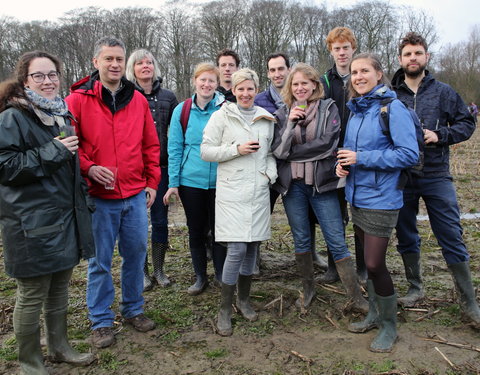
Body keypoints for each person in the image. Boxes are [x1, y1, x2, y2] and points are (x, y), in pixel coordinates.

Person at [0, 51, 95, 374]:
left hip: (63, 219)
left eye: (52, 74)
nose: (47, 81)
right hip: (31, 224)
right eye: (38, 76)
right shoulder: (13, 118)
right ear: (24, 81)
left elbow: (69, 172)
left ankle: (60, 347)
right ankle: (30, 363)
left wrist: (83, 201)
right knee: (31, 294)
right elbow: (5, 168)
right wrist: (52, 151)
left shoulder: (60, 116)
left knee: (59, 289)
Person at [66, 37, 160, 349]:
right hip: (98, 198)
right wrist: (89, 167)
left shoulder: (138, 100)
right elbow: (67, 145)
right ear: (96, 62)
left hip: (134, 195)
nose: (115, 64)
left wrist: (151, 182)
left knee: (135, 255)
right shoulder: (77, 100)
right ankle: (101, 321)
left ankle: (133, 309)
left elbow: (150, 144)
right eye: (108, 59)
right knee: (100, 262)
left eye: (119, 59)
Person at [392, 32, 479, 328]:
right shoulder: (392, 95)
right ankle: (415, 288)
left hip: (436, 174)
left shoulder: (444, 92)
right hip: (402, 177)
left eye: (418, 53)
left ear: (426, 57)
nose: (412, 58)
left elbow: (467, 123)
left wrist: (441, 136)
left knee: (450, 234)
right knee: (405, 234)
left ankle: (468, 301)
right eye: (407, 54)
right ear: (400, 59)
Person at [338, 53, 419, 352]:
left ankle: (389, 326)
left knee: (374, 264)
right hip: (356, 196)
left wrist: (362, 158)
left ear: (379, 74)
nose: (358, 76)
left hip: (382, 198)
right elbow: (350, 150)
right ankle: (373, 313)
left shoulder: (392, 108)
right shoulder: (356, 110)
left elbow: (409, 154)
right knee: (367, 264)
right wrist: (344, 165)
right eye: (354, 72)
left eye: (364, 71)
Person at [272, 63, 368, 314]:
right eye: (295, 84)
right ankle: (308, 289)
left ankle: (356, 298)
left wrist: (292, 154)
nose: (300, 88)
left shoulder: (329, 108)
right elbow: (278, 151)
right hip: (293, 187)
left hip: (322, 185)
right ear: (289, 88)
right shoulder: (282, 113)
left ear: (315, 84)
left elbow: (327, 145)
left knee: (336, 239)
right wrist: (291, 125)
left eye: (305, 83)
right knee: (301, 238)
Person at [201, 68, 277, 336]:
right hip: (232, 194)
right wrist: (236, 150)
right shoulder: (221, 116)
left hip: (257, 192)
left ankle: (243, 300)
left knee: (252, 248)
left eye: (250, 88)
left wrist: (270, 173)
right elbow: (206, 151)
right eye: (240, 88)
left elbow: (269, 155)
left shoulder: (266, 120)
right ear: (233, 90)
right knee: (236, 249)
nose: (245, 93)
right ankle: (224, 308)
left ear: (256, 90)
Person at [255, 52, 327, 272]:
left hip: (293, 167)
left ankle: (312, 253)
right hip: (267, 167)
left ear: (288, 70)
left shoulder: (303, 96)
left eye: (281, 69)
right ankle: (255, 256)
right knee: (261, 210)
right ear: (268, 73)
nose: (277, 74)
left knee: (306, 213)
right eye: (273, 70)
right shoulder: (259, 100)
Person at [163, 63, 226, 296]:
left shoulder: (225, 109)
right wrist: (173, 182)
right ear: (195, 81)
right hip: (191, 182)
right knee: (196, 230)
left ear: (217, 84)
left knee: (220, 230)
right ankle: (200, 276)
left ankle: (220, 273)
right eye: (203, 80)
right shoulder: (182, 110)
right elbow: (175, 147)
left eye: (211, 81)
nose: (207, 84)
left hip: (221, 180)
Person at [126, 49, 178, 291]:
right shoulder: (126, 95)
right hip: (135, 169)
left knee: (160, 219)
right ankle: (142, 271)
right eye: (140, 63)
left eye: (149, 62)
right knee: (136, 223)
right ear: (133, 69)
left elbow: (177, 131)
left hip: (162, 167)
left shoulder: (168, 96)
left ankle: (159, 269)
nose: (145, 66)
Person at [319, 26, 367, 285]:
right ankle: (333, 265)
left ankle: (362, 267)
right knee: (334, 215)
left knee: (360, 212)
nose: (341, 53)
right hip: (333, 156)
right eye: (336, 48)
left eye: (345, 47)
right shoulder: (326, 81)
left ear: (353, 48)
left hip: (360, 153)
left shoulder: (363, 76)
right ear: (331, 51)